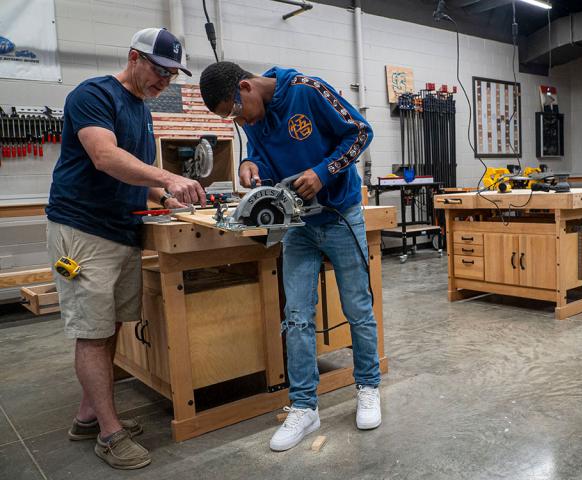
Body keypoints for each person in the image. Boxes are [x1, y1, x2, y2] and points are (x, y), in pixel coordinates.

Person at [199, 61, 381, 452]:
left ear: (246, 87)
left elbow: (360, 133)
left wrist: (322, 172)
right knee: (296, 316)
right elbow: (262, 154)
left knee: (358, 307)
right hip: (297, 223)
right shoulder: (250, 118)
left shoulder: (307, 89)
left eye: (234, 111)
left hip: (340, 216)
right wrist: (251, 165)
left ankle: (368, 386)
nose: (238, 120)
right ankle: (304, 406)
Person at [46, 28, 204, 469]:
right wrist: (169, 178)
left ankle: (88, 416)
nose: (165, 82)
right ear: (134, 57)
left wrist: (163, 197)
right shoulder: (93, 95)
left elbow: (135, 173)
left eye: (173, 76)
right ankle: (110, 435)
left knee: (110, 326)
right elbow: (106, 158)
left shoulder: (142, 110)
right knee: (93, 333)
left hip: (120, 230)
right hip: (83, 230)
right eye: (159, 70)